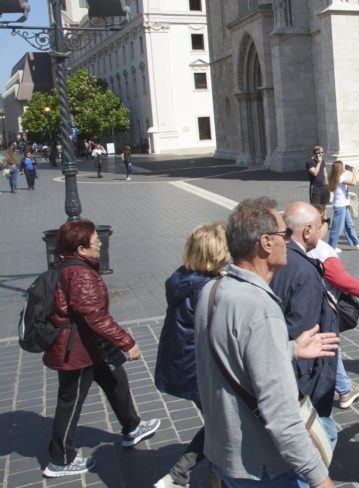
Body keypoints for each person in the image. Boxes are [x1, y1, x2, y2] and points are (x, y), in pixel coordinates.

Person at [194, 197, 338, 488]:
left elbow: (233, 351)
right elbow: (281, 414)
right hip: (262, 465)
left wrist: (290, 349)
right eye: (284, 235)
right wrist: (320, 479)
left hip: (225, 452)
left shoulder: (211, 290)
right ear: (266, 243)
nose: (288, 241)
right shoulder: (261, 308)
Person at [42, 220, 161, 478]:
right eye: (96, 241)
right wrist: (126, 342)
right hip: (76, 349)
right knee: (70, 401)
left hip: (89, 344)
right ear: (82, 249)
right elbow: (94, 316)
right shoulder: (81, 273)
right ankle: (60, 459)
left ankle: (132, 426)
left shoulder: (74, 266)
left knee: (115, 377)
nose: (100, 244)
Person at [269, 201, 343, 479]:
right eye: (322, 226)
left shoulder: (280, 260)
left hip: (286, 371)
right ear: (309, 230)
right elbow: (303, 331)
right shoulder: (303, 270)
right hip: (303, 379)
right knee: (323, 439)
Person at [154, 223, 229, 488]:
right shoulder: (207, 289)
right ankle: (187, 476)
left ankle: (179, 474)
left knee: (218, 423)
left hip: (183, 366)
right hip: (199, 370)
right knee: (224, 427)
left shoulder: (182, 278)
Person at [309, 206, 359, 409]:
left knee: (329, 346)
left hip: (307, 308)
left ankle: (344, 388)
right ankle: (344, 389)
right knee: (330, 345)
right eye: (326, 221)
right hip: (320, 308)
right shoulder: (323, 251)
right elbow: (343, 281)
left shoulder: (292, 247)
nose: (327, 225)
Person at [329, 160, 359, 252]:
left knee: (349, 225)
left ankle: (357, 243)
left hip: (344, 204)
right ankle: (331, 247)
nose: (345, 167)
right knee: (337, 227)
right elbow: (354, 183)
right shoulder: (339, 177)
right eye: (344, 166)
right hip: (340, 206)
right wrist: (353, 172)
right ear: (340, 168)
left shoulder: (338, 176)